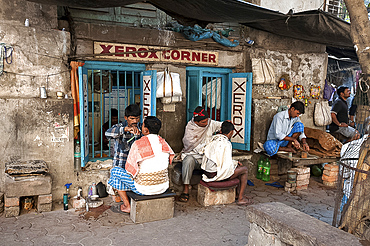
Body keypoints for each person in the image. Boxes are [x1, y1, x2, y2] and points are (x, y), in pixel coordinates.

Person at [108, 116, 174, 213]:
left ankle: (127, 206)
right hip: (163, 187)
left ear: (146, 130)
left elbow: (130, 170)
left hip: (144, 189)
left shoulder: (138, 144)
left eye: (142, 125)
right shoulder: (164, 143)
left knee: (115, 172)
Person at [201, 121, 252, 205]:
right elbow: (226, 166)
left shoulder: (213, 139)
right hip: (215, 174)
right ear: (231, 132)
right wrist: (234, 164)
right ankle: (240, 198)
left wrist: (235, 163)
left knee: (237, 167)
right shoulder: (226, 143)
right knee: (244, 170)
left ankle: (237, 194)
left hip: (207, 172)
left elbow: (220, 159)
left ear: (221, 131)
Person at [179, 106, 223, 202]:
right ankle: (186, 188)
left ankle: (214, 186)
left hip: (207, 157)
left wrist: (226, 126)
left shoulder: (210, 123)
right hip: (195, 157)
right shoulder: (190, 128)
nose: (206, 123)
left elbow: (221, 125)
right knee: (188, 160)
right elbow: (190, 145)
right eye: (203, 122)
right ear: (196, 122)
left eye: (207, 120)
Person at [105, 104, 142, 169]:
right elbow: (107, 133)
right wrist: (125, 129)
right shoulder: (120, 126)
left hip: (136, 166)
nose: (135, 121)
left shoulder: (142, 127)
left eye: (137, 118)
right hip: (121, 165)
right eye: (132, 118)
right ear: (125, 118)